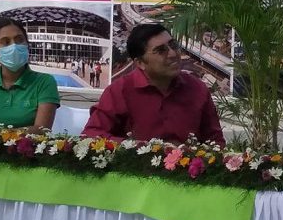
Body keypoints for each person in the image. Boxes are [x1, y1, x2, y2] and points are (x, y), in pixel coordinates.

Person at [82, 23, 225, 146]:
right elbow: (91, 135)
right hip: (135, 167)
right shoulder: (119, 91)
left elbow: (215, 141)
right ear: (140, 63)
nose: (172, 54)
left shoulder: (197, 89)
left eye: (173, 45)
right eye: (161, 50)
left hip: (188, 168)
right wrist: (136, 147)